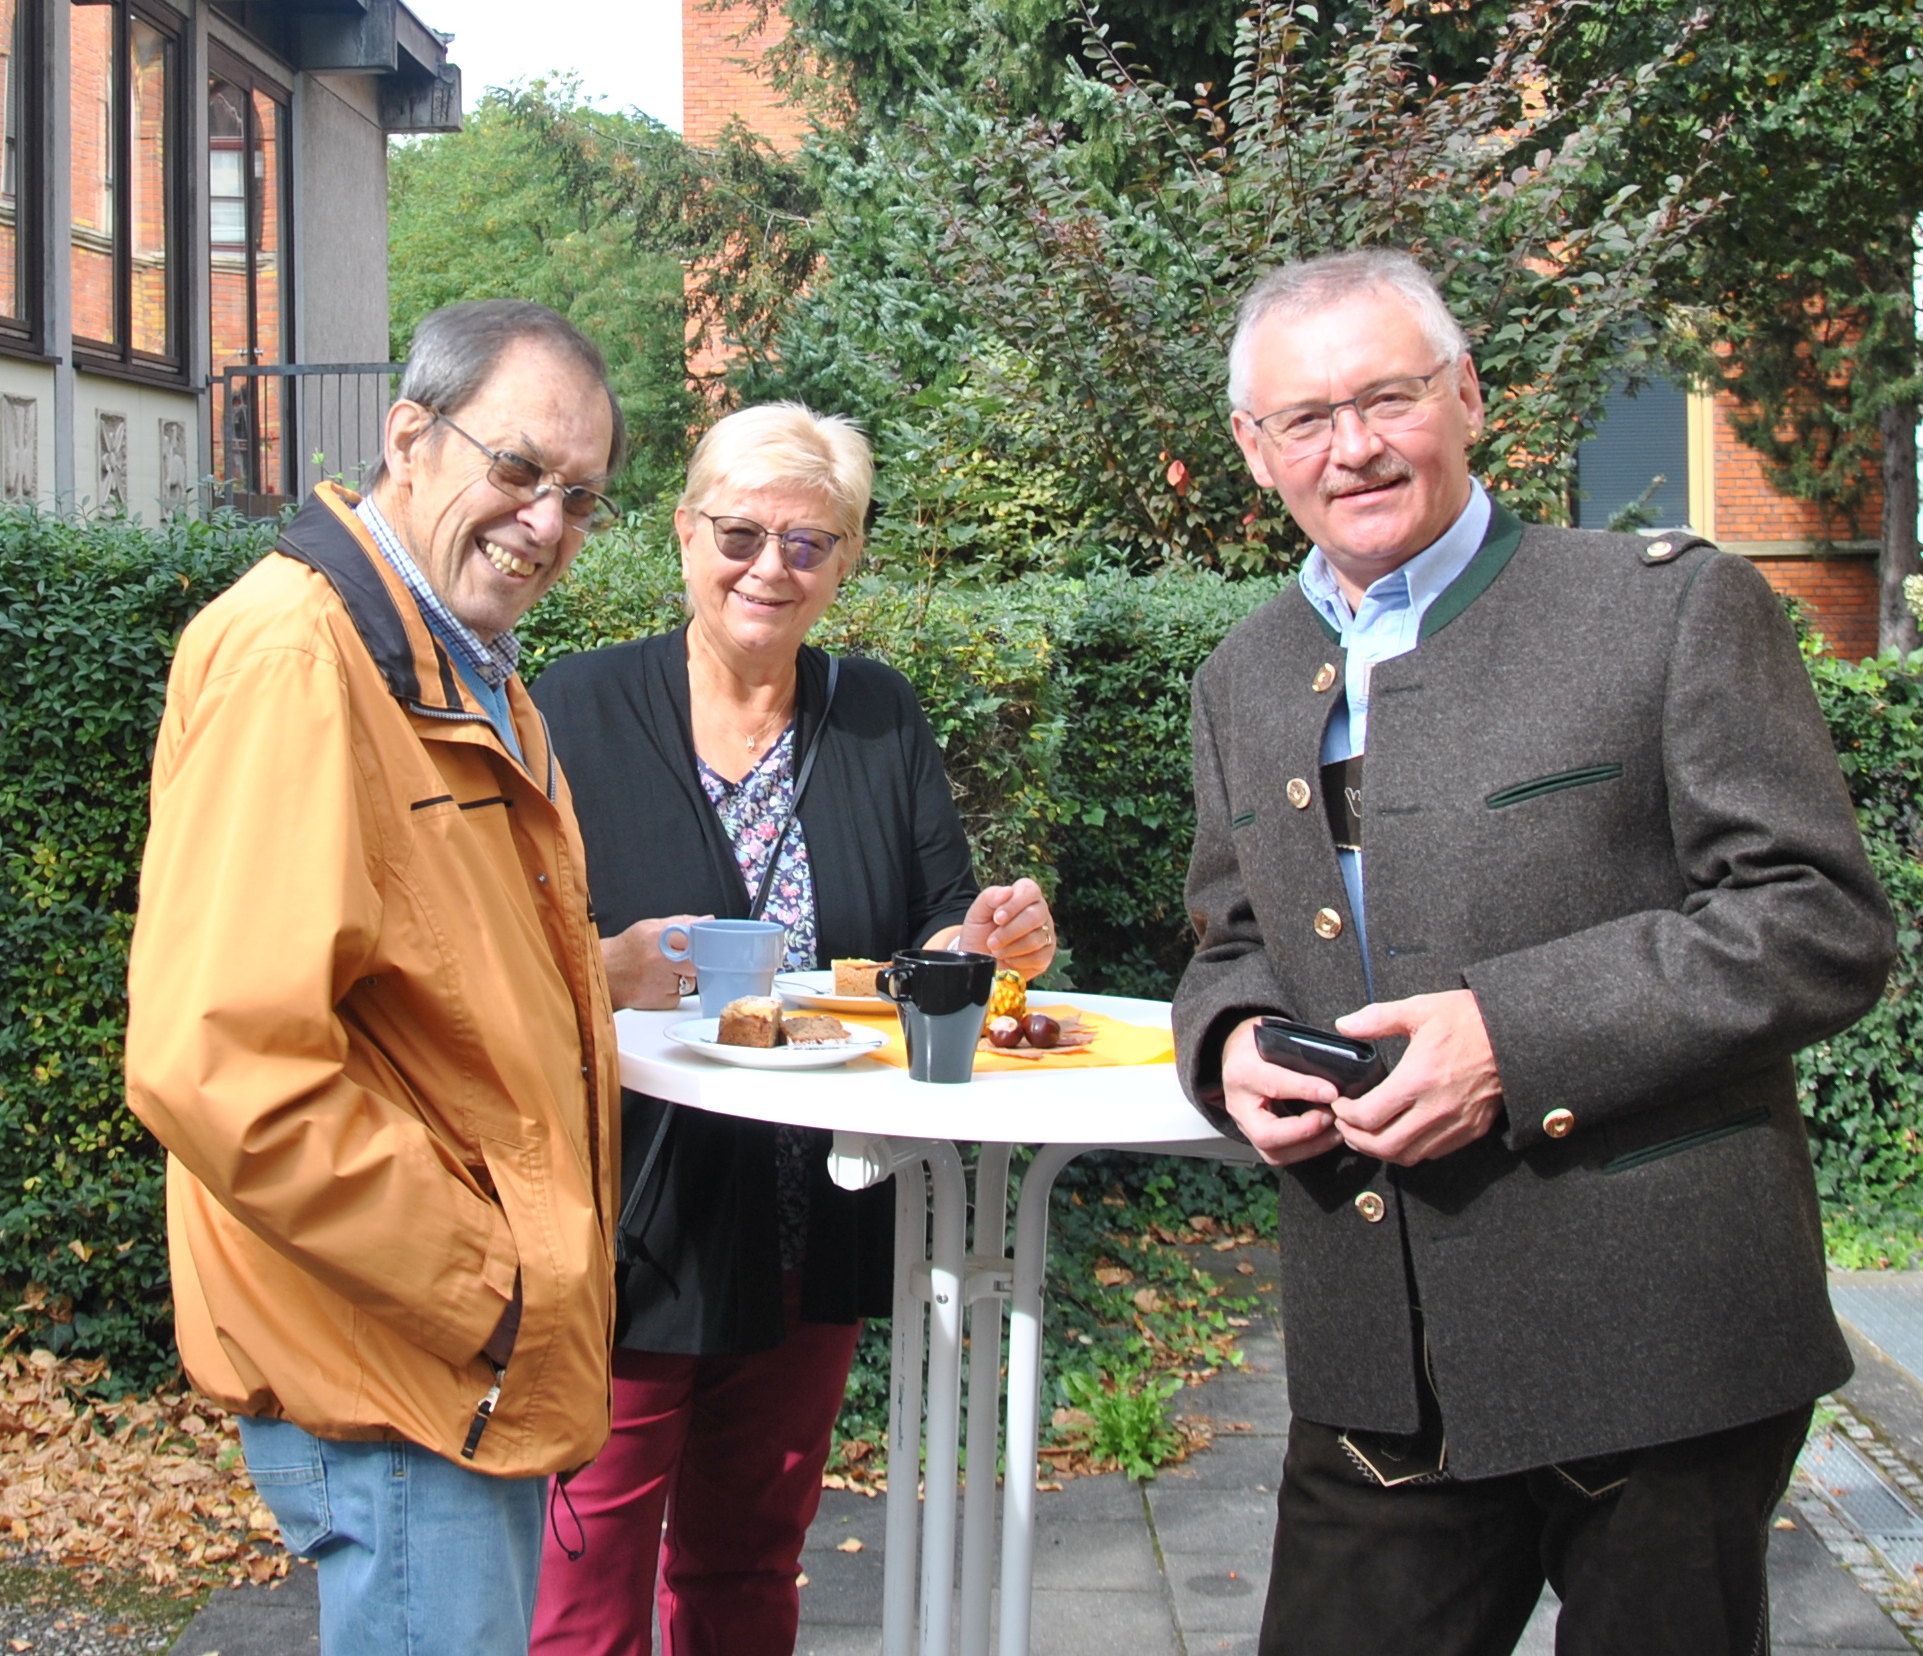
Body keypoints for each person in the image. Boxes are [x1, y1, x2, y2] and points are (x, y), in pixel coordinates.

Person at [1173, 249, 1895, 1656]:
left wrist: (1510, 1038)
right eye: (1305, 420)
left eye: (1387, 397)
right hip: (1378, 1355)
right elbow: (1233, 936)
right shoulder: (1242, 676)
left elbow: (1814, 921)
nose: (1354, 446)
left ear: (1468, 396)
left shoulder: (1665, 608)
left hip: (1660, 1340)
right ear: (1255, 455)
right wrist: (1233, 1040)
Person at [124, 300, 628, 1656]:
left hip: (440, 1366)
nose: (544, 521)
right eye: (517, 470)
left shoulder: (460, 667)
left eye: (579, 497)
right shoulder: (303, 655)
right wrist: (491, 1288)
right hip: (409, 1365)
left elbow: (431, 980)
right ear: (407, 432)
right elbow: (218, 1063)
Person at [525, 402, 1058, 1656]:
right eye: (742, 532)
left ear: (847, 561)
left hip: (814, 1208)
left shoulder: (877, 716)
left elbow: (932, 935)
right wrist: (604, 966)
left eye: (810, 543)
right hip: (630, 1212)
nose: (771, 566)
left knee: (753, 1555)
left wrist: (979, 946)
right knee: (587, 1555)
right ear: (683, 534)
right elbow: (495, 945)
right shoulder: (576, 707)